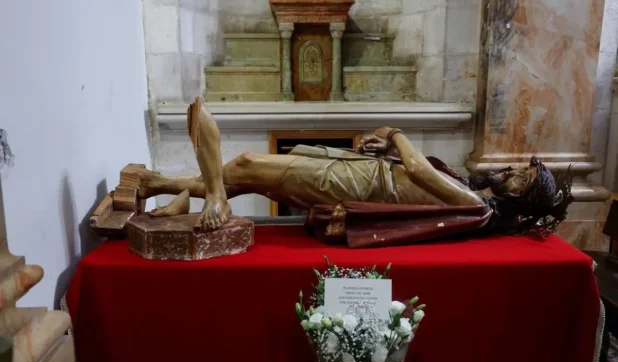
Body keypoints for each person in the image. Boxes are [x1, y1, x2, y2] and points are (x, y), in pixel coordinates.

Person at [108, 98, 573, 247]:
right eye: (518, 169)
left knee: (247, 165)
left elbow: (415, 168)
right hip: (362, 171)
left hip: (359, 184)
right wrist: (385, 147)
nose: (510, 171)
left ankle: (209, 197)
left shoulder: (476, 205)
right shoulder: (473, 192)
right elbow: (411, 172)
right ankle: (156, 184)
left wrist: (395, 133)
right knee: (243, 174)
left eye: (520, 178)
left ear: (519, 197)